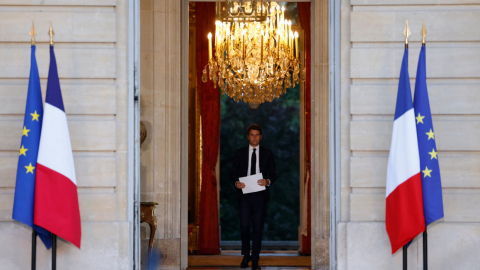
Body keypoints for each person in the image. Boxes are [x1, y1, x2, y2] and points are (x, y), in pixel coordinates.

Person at [230, 124, 277, 270]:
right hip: (244, 195)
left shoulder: (268, 153)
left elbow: (273, 174)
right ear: (248, 136)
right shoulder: (240, 153)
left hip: (260, 195)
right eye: (252, 135)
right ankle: (246, 256)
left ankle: (255, 260)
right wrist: (236, 182)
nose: (254, 137)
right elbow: (232, 173)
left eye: (257, 135)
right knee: (244, 226)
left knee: (257, 228)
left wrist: (267, 181)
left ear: (261, 137)